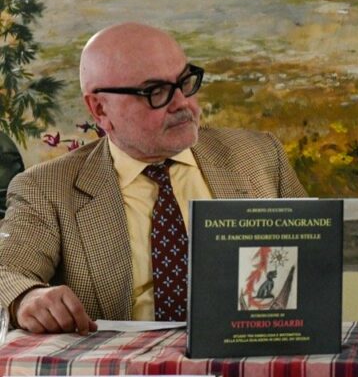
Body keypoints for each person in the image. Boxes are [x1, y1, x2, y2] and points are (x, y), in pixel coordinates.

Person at [0, 23, 307, 333]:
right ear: (99, 109)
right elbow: (6, 272)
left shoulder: (259, 155)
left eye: (184, 82)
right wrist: (28, 298)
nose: (182, 103)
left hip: (246, 353)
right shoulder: (48, 188)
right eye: (155, 92)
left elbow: (316, 261)